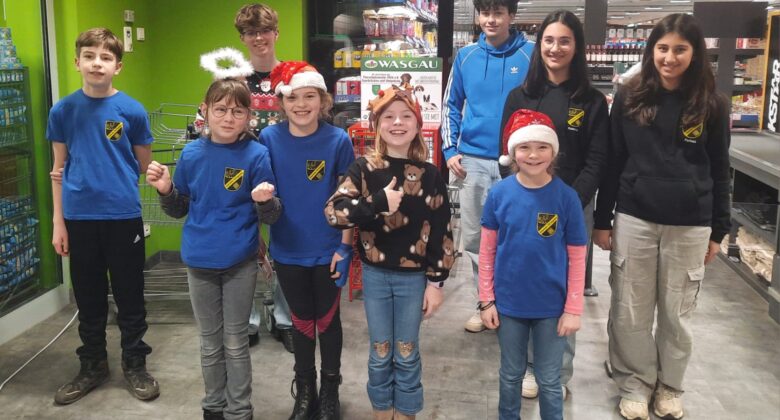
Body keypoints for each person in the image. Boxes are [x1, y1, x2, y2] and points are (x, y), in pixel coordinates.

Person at [592, 13, 731, 420]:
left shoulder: (712, 104)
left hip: (691, 224)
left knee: (677, 312)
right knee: (630, 308)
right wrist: (603, 219)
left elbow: (719, 169)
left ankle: (670, 386)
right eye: (663, 48)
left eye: (680, 49)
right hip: (635, 218)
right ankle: (634, 384)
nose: (670, 58)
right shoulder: (629, 97)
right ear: (651, 50)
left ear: (695, 53)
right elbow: (614, 161)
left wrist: (719, 229)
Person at [146, 78, 280, 420]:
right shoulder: (191, 154)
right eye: (220, 109)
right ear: (205, 111)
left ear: (249, 116)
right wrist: (165, 190)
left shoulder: (257, 154)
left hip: (240, 262)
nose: (228, 118)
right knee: (209, 342)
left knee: (235, 342)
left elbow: (272, 214)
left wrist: (265, 201)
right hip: (199, 260)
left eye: (237, 111)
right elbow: (179, 208)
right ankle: (213, 406)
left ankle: (240, 410)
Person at [498, 10, 609, 400]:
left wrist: (569, 203)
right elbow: (505, 154)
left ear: (576, 47)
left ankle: (555, 373)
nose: (555, 48)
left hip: (573, 207)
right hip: (523, 207)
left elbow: (597, 159)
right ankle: (528, 367)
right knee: (526, 280)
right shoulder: (520, 96)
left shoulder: (591, 101)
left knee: (565, 288)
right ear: (539, 45)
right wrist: (519, 199)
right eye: (549, 40)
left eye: (564, 41)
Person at [325, 86, 453, 420]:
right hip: (376, 275)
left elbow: (442, 232)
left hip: (414, 279)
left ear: (417, 124)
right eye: (389, 117)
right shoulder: (364, 169)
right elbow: (334, 212)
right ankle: (382, 412)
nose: (397, 123)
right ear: (377, 124)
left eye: (406, 116)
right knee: (380, 351)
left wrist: (436, 284)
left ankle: (406, 412)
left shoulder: (431, 175)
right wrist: (376, 203)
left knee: (406, 352)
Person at [46, 28, 158, 405]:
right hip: (79, 218)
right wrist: (58, 222)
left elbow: (143, 165)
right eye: (89, 56)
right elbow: (58, 171)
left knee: (130, 295)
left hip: (123, 216)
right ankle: (93, 364)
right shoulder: (63, 111)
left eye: (106, 57)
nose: (97, 63)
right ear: (77, 62)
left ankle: (135, 363)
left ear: (118, 66)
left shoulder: (132, 111)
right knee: (89, 297)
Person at [261, 61, 355, 420]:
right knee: (300, 322)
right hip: (287, 249)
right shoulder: (269, 139)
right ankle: (305, 391)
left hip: (328, 249)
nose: (301, 105)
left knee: (328, 321)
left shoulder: (338, 141)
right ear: (281, 103)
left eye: (309, 97)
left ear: (323, 100)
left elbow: (348, 199)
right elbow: (263, 196)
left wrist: (344, 247)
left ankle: (330, 390)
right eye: (292, 98)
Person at [479, 109, 587, 420]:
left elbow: (577, 257)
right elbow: (487, 252)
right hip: (509, 305)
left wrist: (573, 308)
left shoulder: (566, 198)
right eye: (525, 147)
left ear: (554, 152)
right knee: (510, 374)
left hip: (552, 308)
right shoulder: (499, 194)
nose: (533, 155)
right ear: (513, 153)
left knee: (550, 380)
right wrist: (486, 300)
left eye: (542, 147)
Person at [440, 0, 534, 333]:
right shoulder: (465, 57)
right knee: (476, 240)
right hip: (472, 162)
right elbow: (450, 105)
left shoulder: (531, 55)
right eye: (485, 13)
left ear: (512, 16)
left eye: (498, 13)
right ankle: (484, 304)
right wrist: (449, 149)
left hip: (519, 163)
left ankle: (514, 308)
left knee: (518, 237)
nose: (490, 20)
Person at [234, 2, 295, 352]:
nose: (259, 38)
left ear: (276, 33)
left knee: (285, 246)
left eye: (265, 30)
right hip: (241, 176)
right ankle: (248, 321)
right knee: (243, 249)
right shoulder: (231, 81)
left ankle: (284, 318)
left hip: (287, 174)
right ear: (243, 38)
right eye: (251, 32)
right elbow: (208, 123)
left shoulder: (292, 78)